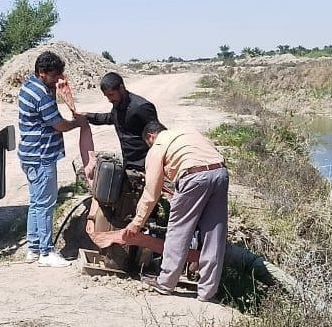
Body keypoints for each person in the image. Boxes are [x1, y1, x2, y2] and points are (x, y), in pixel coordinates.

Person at [125, 120, 228, 300]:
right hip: (220, 173)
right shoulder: (188, 130)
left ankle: (165, 283)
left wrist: (137, 223)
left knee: (178, 230)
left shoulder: (157, 145)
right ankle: (207, 292)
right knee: (214, 234)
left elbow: (151, 193)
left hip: (193, 177)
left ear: (150, 136)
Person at [18, 51, 85, 267]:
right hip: (41, 156)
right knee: (46, 204)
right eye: (54, 76)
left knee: (36, 202)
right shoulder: (41, 95)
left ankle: (34, 248)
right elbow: (58, 124)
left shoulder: (31, 85)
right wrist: (78, 123)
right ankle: (46, 252)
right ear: (42, 72)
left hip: (30, 155)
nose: (58, 80)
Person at [82, 73, 159, 175]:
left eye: (111, 95)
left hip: (145, 165)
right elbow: (111, 118)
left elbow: (157, 136)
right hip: (128, 164)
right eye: (107, 96)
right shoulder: (118, 103)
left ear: (121, 88)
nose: (109, 100)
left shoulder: (142, 107)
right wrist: (87, 116)